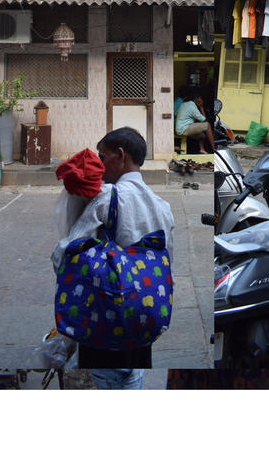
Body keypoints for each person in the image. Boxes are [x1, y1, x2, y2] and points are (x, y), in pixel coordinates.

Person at [51, 127, 175, 389]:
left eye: (103, 156)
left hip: (104, 324)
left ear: (120, 155)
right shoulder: (163, 207)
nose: (100, 164)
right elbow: (166, 265)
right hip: (142, 325)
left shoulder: (108, 198)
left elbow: (67, 253)